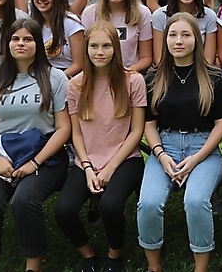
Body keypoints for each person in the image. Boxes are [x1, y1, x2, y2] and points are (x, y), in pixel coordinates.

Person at [0, 18, 71, 272]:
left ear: (38, 44)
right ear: (7, 44)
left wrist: (34, 163)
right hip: (4, 153)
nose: (21, 44)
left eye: (28, 39)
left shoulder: (56, 78)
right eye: (15, 39)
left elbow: (64, 128)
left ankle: (33, 266)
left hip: (45, 156)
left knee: (25, 201)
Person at [138, 12, 222, 272]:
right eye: (173, 35)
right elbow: (149, 124)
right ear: (165, 39)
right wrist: (160, 154)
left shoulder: (213, 77)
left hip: (203, 149)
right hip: (164, 147)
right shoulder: (154, 78)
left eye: (185, 35)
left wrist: (196, 158)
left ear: (197, 39)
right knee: (148, 203)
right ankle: (154, 266)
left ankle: (200, 267)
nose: (178, 41)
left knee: (196, 201)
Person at [54, 21, 146, 272]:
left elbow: (137, 131)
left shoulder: (133, 81)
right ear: (86, 49)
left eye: (106, 46)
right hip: (87, 159)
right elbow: (76, 133)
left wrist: (109, 169)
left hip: (125, 158)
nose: (100, 52)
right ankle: (88, 255)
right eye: (94, 46)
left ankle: (114, 256)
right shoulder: (75, 84)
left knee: (110, 205)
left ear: (116, 48)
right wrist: (87, 168)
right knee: (64, 210)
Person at [80, 0, 153, 73]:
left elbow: (146, 58)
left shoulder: (142, 13)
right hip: (98, 74)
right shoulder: (89, 13)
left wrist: (126, 72)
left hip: (130, 74)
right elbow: (84, 55)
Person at [151, 0, 218, 65]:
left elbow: (208, 61)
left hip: (201, 72)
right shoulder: (159, 16)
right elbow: (160, 60)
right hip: (169, 72)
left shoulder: (209, 16)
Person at [30, 0, 85, 78]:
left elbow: (79, 64)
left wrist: (56, 80)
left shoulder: (71, 23)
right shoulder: (32, 23)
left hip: (68, 76)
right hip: (40, 75)